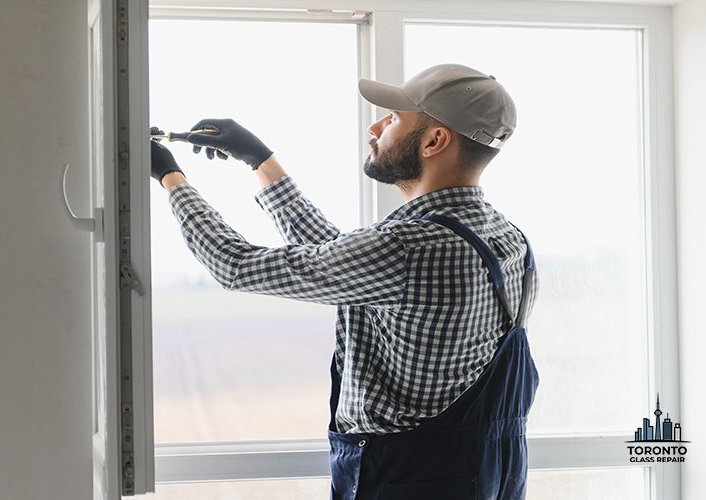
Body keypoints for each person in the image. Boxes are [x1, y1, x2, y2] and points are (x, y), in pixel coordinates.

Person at [150, 63, 540, 500]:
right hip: (487, 474)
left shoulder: (410, 245)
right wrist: (260, 160)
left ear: (434, 141)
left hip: (402, 477)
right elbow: (342, 259)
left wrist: (171, 178)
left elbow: (236, 265)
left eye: (392, 118)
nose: (375, 128)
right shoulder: (508, 239)